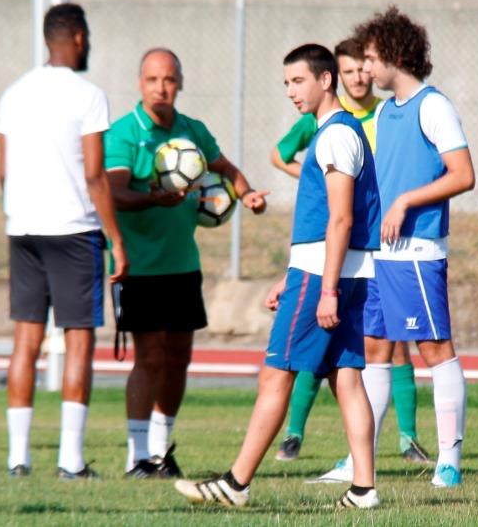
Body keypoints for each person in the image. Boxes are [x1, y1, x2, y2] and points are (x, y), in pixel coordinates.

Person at [174, 44, 381, 510]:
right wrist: (294, 277)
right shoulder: (335, 132)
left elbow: (341, 220)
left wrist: (323, 288)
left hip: (326, 279)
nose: (290, 92)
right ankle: (364, 488)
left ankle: (236, 483)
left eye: (298, 81)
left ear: (326, 80)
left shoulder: (334, 136)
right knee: (346, 377)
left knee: (275, 376)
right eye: (286, 83)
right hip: (331, 275)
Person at [315, 6, 475, 489]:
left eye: (369, 58)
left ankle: (449, 459)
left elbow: (463, 175)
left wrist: (406, 201)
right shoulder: (385, 111)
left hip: (418, 251)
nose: (364, 69)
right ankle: (358, 461)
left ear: (391, 54)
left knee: (432, 348)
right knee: (375, 348)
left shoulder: (433, 105)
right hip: (383, 255)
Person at [105, 48, 267, 478]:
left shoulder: (192, 130)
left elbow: (225, 168)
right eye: (153, 79)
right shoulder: (124, 133)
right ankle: (137, 456)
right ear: (140, 83)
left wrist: (245, 193)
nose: (161, 88)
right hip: (137, 266)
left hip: (182, 265)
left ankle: (161, 450)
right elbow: (114, 192)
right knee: (150, 357)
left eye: (169, 79)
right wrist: (154, 199)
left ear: (180, 82)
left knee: (178, 356)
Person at [271, 38, 430, 466]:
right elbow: (281, 156)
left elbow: (347, 209)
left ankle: (406, 438)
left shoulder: (380, 116)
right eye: (352, 69)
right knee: (340, 366)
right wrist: (321, 182)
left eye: (364, 68)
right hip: (344, 249)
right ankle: (300, 437)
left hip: (365, 244)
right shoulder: (323, 124)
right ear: (337, 74)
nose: (360, 76)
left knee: (385, 349)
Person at [0, 3, 127, 480]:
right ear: (74, 37)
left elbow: (4, 170)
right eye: (86, 35)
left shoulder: (14, 93)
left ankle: (18, 457)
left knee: (25, 341)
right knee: (77, 343)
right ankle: (70, 460)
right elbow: (95, 174)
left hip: (24, 227)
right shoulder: (88, 95)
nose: (88, 43)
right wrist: (115, 240)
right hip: (73, 228)